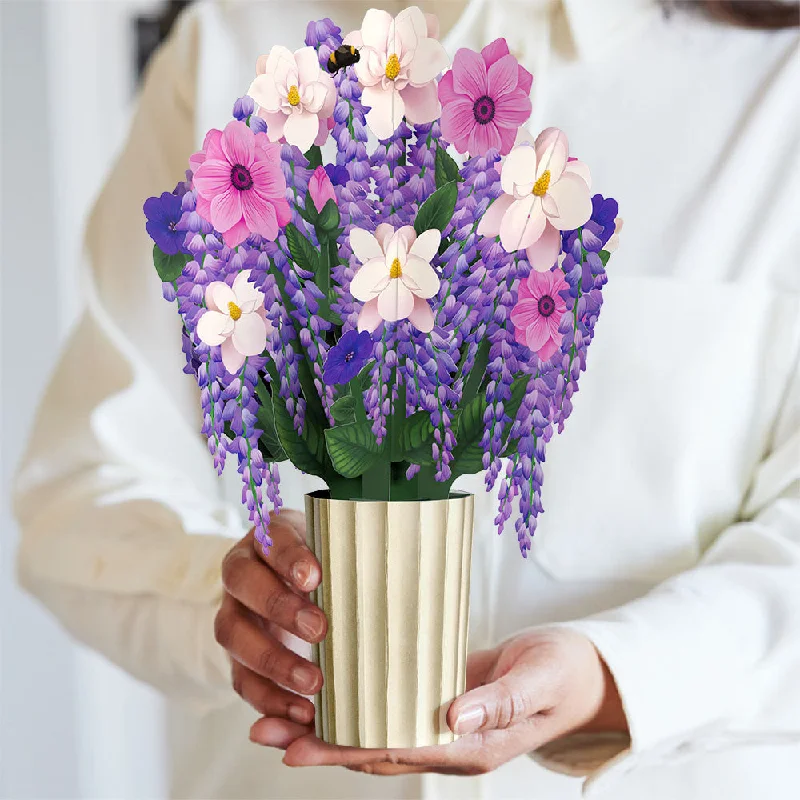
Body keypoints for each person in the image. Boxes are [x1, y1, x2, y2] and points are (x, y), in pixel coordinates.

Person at [14, 0, 800, 798]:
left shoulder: (779, 89)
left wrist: (612, 674)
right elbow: (78, 492)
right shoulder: (239, 41)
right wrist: (246, 610)